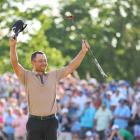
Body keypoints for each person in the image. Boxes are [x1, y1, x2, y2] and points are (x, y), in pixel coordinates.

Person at [9, 37, 90, 140]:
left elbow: (71, 67)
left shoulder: (53, 75)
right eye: (40, 61)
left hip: (51, 122)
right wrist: (13, 46)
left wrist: (83, 52)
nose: (44, 63)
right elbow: (15, 63)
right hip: (34, 122)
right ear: (33, 63)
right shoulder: (26, 76)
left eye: (45, 61)